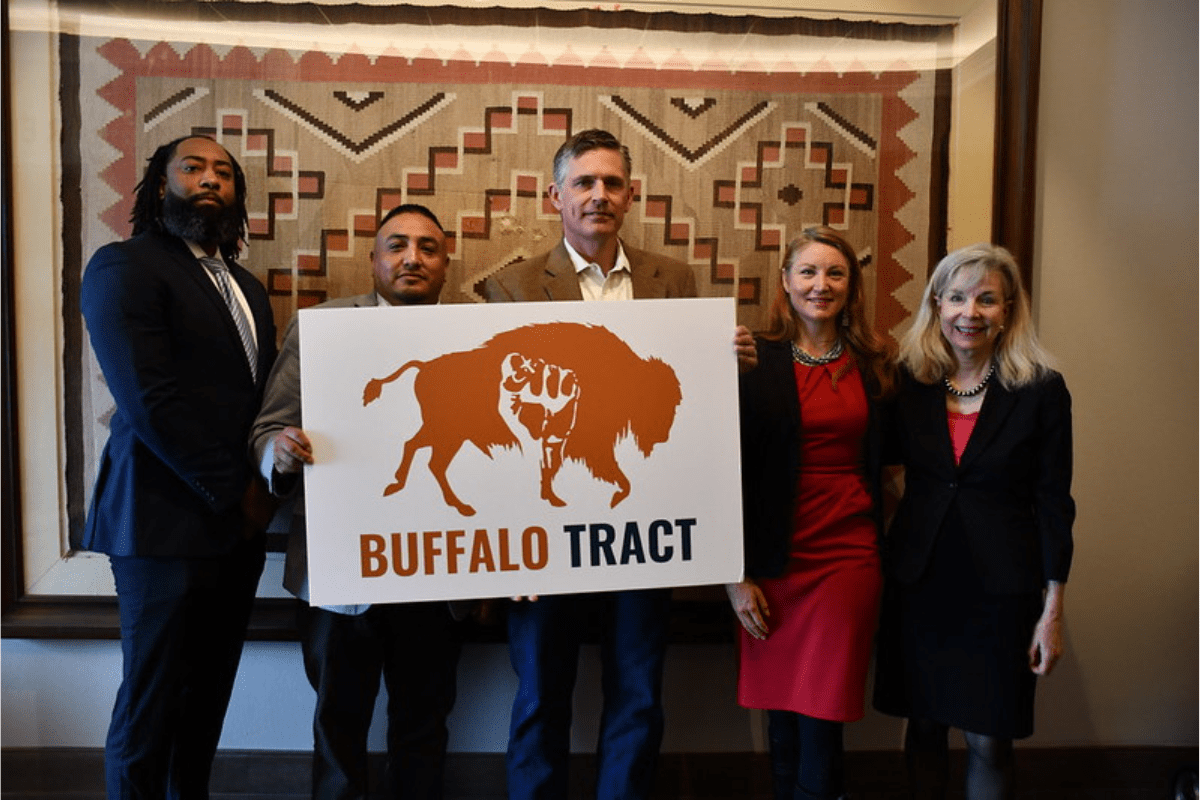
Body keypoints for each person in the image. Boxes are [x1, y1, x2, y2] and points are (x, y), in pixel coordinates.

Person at [482, 128, 756, 800]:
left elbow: (688, 407)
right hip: (543, 535)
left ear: (632, 196)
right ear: (556, 196)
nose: (598, 195)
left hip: (644, 525)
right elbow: (496, 421)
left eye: (611, 183)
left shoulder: (676, 280)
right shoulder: (509, 288)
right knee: (541, 694)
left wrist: (731, 369)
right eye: (584, 182)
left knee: (637, 692)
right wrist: (504, 551)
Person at [80, 134, 277, 797]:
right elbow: (149, 400)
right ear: (161, 187)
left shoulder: (247, 286)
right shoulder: (123, 266)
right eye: (192, 167)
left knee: (205, 704)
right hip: (161, 525)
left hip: (235, 532)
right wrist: (236, 491)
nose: (210, 178)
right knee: (152, 705)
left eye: (224, 172)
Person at [249, 204, 463, 799]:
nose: (412, 258)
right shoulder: (320, 328)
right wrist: (280, 453)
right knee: (338, 728)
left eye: (427, 247)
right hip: (341, 575)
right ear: (373, 260)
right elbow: (267, 429)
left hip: (439, 574)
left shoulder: (477, 337)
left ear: (446, 265)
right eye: (396, 245)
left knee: (424, 728)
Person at [872, 243, 1074, 800]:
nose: (971, 312)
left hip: (1000, 591)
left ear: (1008, 310)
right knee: (924, 727)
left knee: (990, 740)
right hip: (920, 581)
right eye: (957, 298)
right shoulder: (907, 382)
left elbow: (1055, 501)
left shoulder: (1041, 390)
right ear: (936, 304)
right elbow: (866, 464)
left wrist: (1052, 611)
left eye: (987, 300)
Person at [726, 227, 894, 800]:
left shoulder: (875, 364)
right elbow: (724, 469)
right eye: (808, 272)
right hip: (774, 556)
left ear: (852, 286)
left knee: (822, 708)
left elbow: (897, 458)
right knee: (781, 708)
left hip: (847, 554)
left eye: (835, 274)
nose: (821, 285)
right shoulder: (753, 359)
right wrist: (735, 573)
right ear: (785, 283)